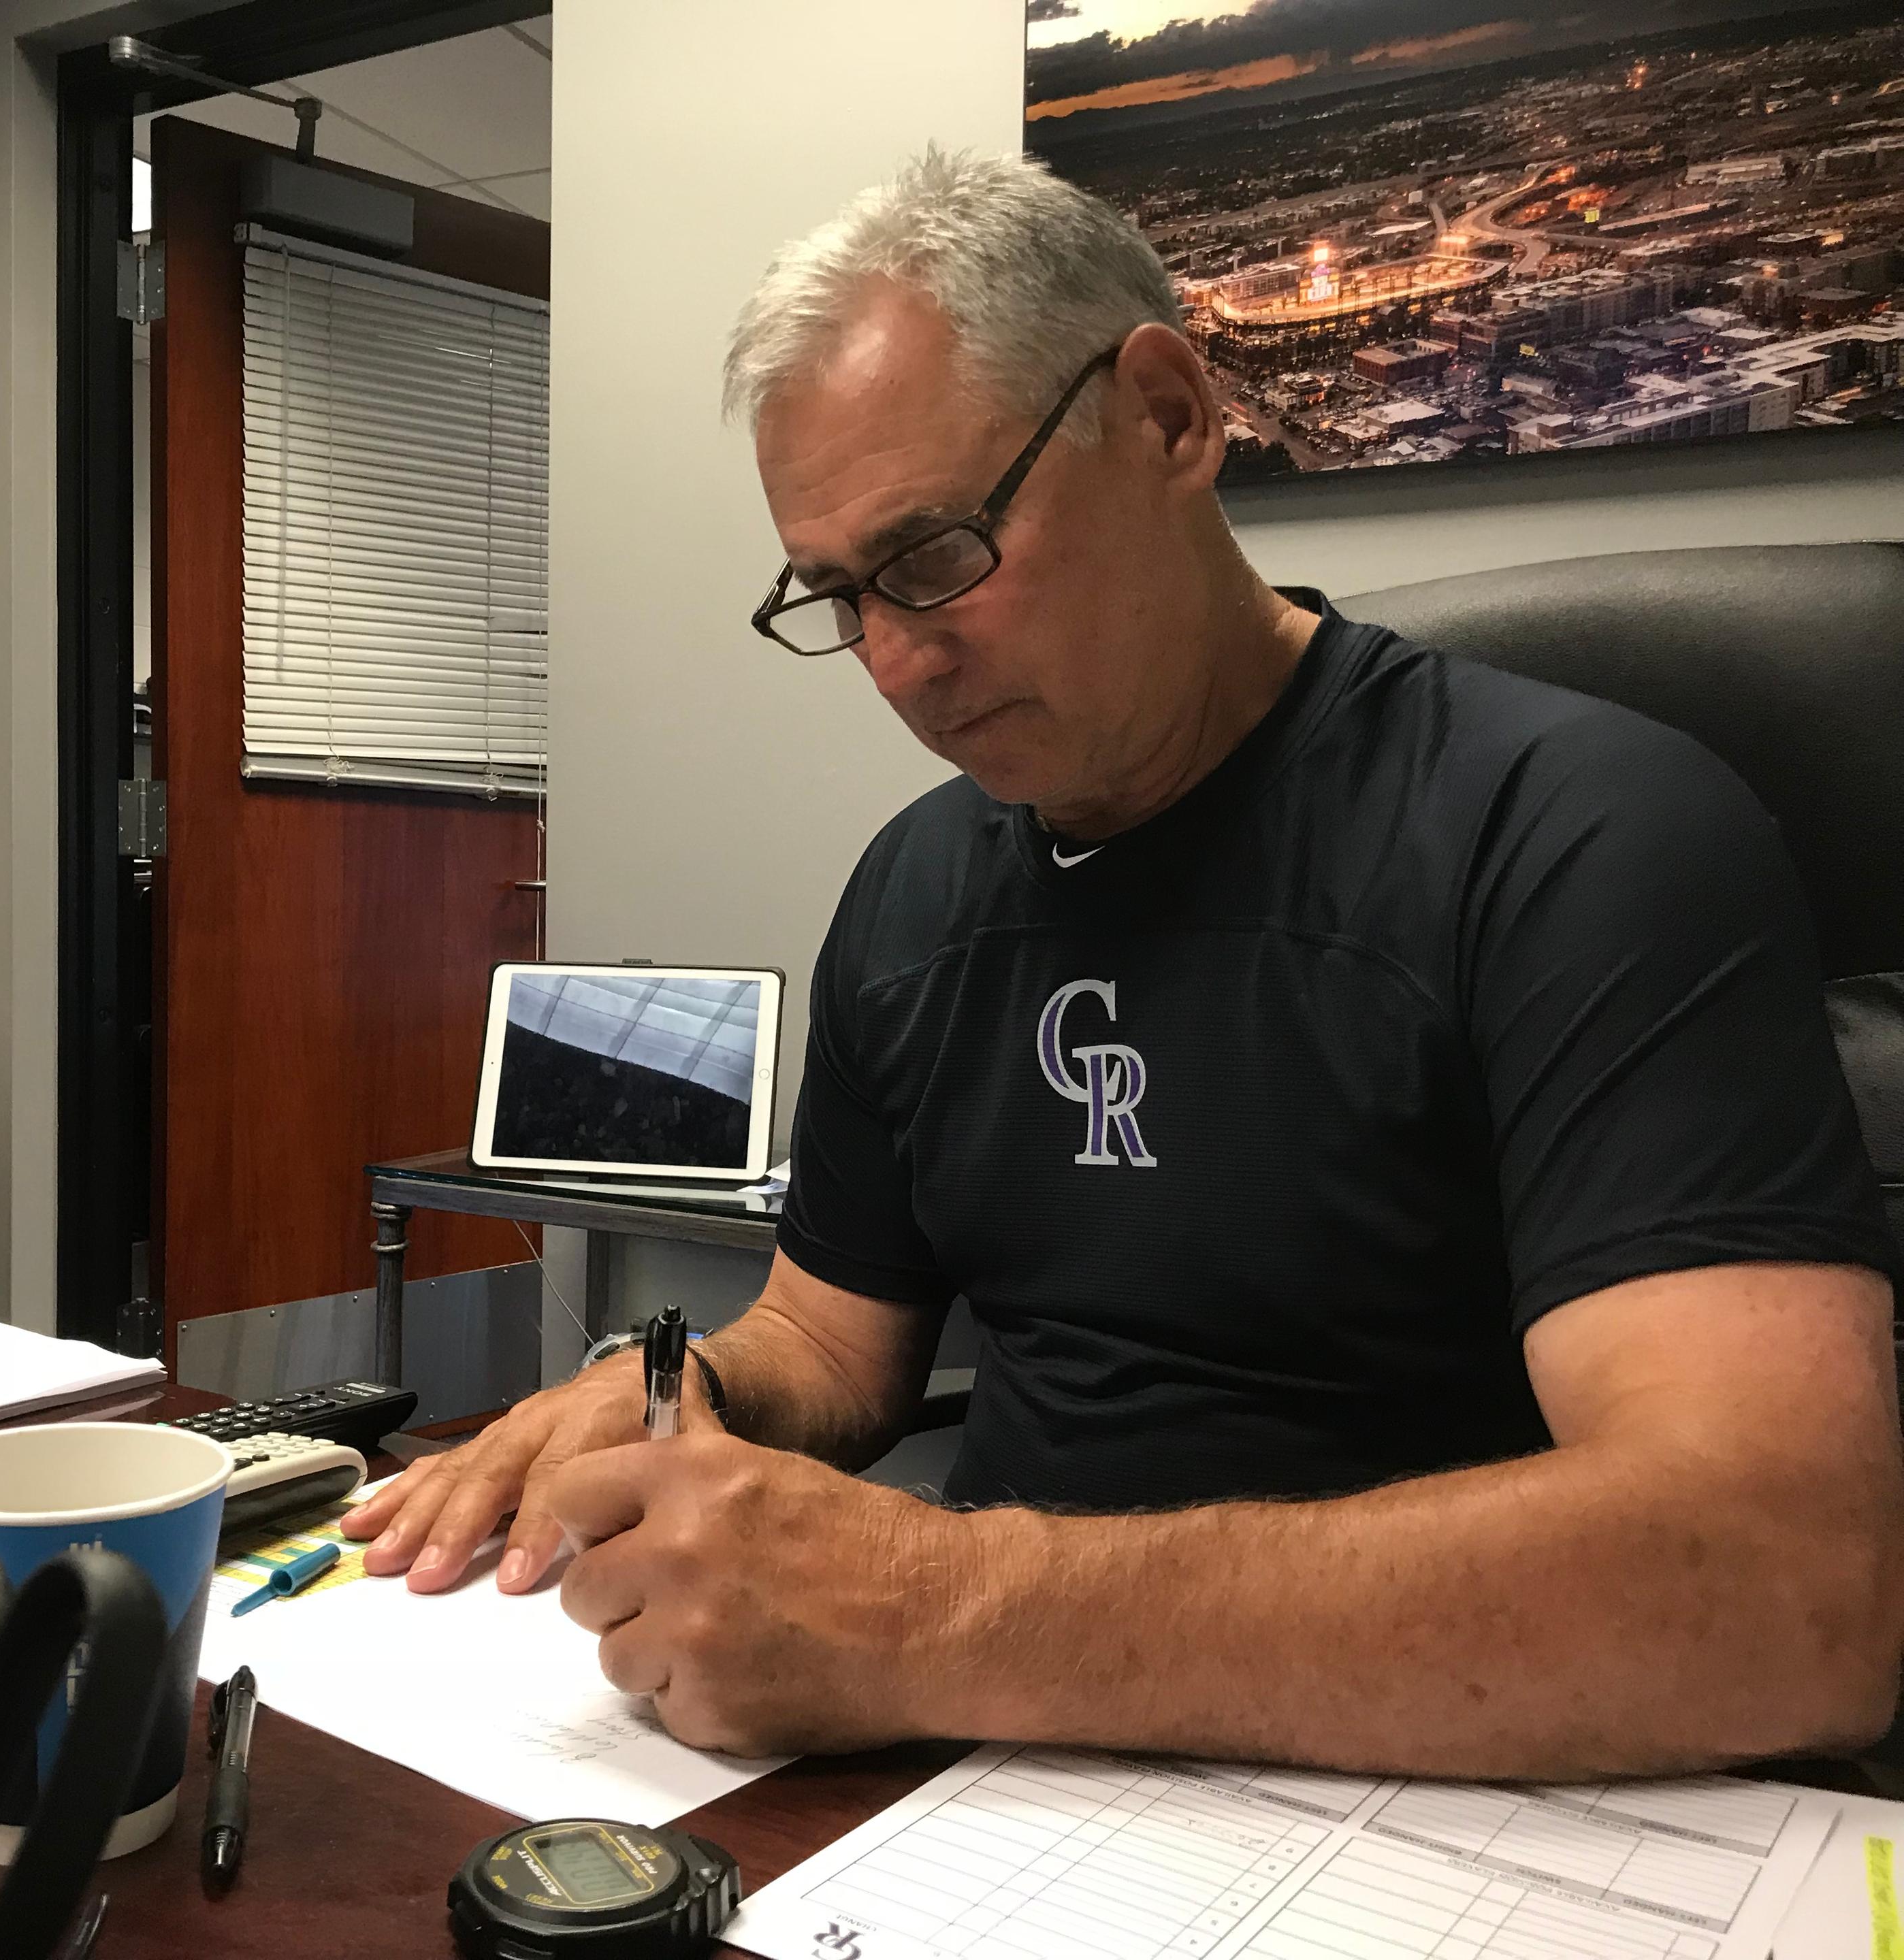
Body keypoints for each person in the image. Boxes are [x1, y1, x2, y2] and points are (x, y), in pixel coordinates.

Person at [342, 148, 1904, 1777]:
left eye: (938, 554)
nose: (895, 662)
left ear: (1167, 418)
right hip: (995, 1784)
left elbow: (1785, 1586)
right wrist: (676, 1395)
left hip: (1470, 1788)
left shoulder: (1577, 829)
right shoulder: (917, 888)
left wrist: (932, 1607)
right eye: (838, 596)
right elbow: (825, 1344)